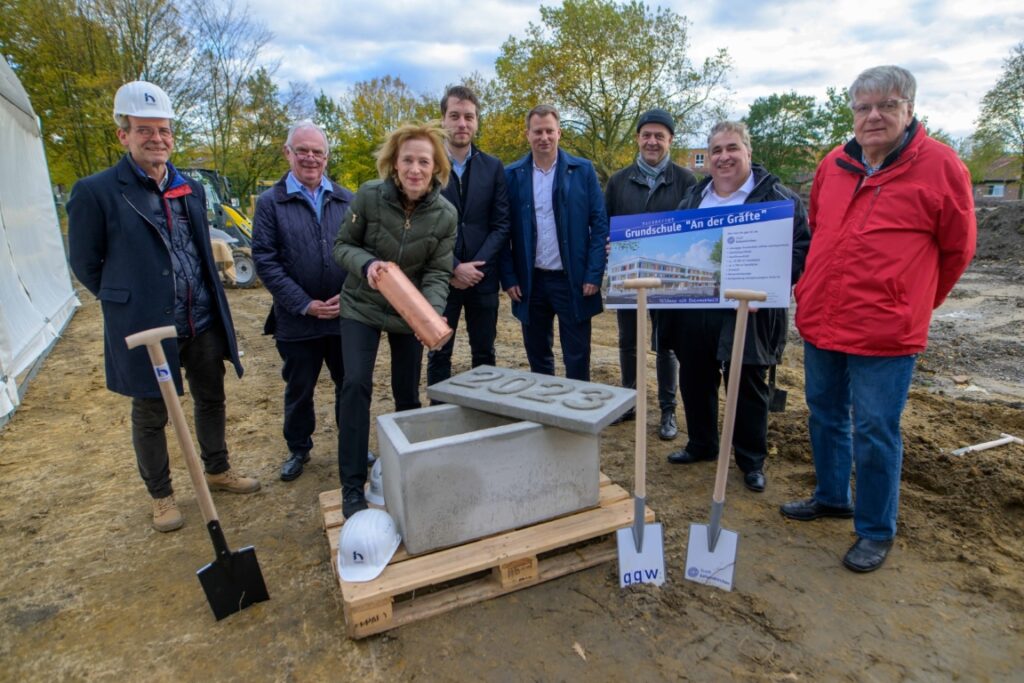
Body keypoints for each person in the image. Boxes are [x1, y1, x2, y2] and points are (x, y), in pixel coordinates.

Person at [782, 66, 976, 573]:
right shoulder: (834, 165)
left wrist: (912, 301)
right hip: (825, 317)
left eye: (887, 105)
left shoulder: (940, 167)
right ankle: (831, 496)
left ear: (909, 109)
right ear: (853, 114)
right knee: (824, 412)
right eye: (864, 107)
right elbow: (823, 228)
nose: (874, 116)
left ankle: (874, 529)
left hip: (887, 331)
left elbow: (958, 249)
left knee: (874, 429)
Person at [67, 81, 259, 534]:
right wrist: (128, 299)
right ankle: (161, 494)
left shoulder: (187, 188)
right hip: (147, 325)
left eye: (164, 131)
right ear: (123, 135)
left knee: (211, 396)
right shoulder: (97, 192)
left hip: (201, 317)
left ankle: (217, 467)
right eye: (145, 130)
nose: (157, 139)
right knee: (151, 410)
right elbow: (85, 263)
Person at [660, 121, 810, 494]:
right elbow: (674, 247)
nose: (723, 157)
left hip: (752, 310)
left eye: (732, 148)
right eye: (716, 151)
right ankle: (702, 444)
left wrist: (769, 285)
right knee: (695, 377)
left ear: (747, 152)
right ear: (708, 158)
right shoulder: (694, 199)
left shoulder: (778, 198)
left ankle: (750, 460)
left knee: (747, 383)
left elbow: (801, 249)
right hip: (695, 308)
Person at [333, 122, 457, 518]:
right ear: (394, 163)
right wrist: (366, 264)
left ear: (436, 166)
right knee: (355, 386)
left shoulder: (445, 215)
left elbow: (439, 273)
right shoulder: (368, 197)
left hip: (409, 312)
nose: (416, 169)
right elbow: (342, 246)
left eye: (424, 161)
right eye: (408, 160)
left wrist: (431, 313)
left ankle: (410, 474)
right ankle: (352, 486)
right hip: (362, 305)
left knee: (407, 393)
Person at [252, 120, 353, 482]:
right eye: (303, 151)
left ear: (326, 157)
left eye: (318, 152)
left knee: (350, 384)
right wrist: (305, 303)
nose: (310, 158)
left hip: (344, 316)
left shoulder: (346, 199)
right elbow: (265, 259)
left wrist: (350, 294)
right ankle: (299, 448)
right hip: (297, 320)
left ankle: (351, 443)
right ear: (288, 153)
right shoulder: (270, 203)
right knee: (300, 388)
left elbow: (360, 251)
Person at [500, 105, 608, 381]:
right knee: (538, 354)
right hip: (530, 281)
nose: (544, 137)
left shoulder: (582, 171)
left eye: (549, 131)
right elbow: (502, 229)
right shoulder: (512, 176)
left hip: (573, 279)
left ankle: (578, 416)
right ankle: (544, 412)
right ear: (528, 135)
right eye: (538, 131)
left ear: (559, 132)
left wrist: (594, 273)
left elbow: (600, 225)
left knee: (577, 354)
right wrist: (509, 276)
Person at [605, 108, 695, 438]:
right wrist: (607, 244)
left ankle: (668, 410)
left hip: (669, 277)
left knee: (666, 343)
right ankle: (629, 402)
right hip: (628, 274)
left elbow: (691, 228)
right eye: (647, 135)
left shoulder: (686, 180)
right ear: (638, 139)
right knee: (629, 341)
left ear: (670, 140)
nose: (652, 141)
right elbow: (606, 224)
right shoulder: (618, 181)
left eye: (659, 136)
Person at [426, 85, 511, 387]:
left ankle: (483, 417)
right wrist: (453, 266)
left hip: (482, 278)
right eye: (455, 116)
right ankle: (438, 417)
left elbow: (501, 224)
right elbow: (421, 226)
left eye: (469, 117)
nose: (462, 123)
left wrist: (475, 266)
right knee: (438, 351)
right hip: (440, 278)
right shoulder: (427, 166)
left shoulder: (493, 167)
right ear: (443, 120)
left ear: (476, 122)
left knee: (484, 353)